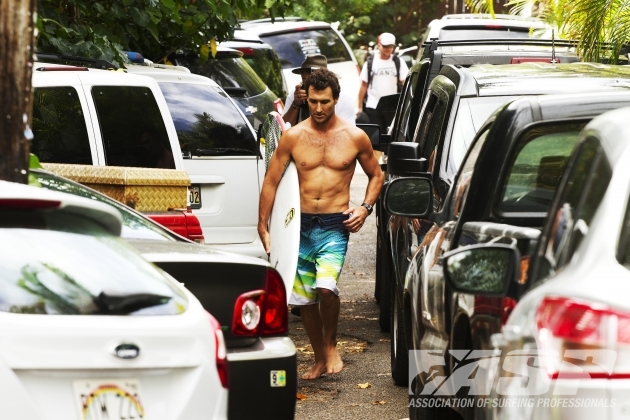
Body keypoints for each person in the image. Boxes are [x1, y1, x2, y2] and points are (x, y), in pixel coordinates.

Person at [259, 69, 384, 380]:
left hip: (333, 225)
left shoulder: (355, 137)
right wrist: (263, 225)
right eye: (313, 101)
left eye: (324, 102)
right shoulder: (293, 137)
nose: (318, 108)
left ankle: (331, 345)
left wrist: (365, 208)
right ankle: (318, 358)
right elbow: (271, 181)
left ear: (336, 100)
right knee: (303, 299)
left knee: (326, 288)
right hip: (298, 227)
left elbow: (376, 175)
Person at [282, 54, 356, 127]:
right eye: (305, 81)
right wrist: (296, 104)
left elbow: (348, 132)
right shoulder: (296, 95)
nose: (318, 109)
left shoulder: (344, 99)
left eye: (325, 101)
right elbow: (284, 128)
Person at [357, 32, 409, 133]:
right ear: (379, 45)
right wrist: (358, 107)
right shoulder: (370, 62)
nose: (388, 49)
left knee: (391, 135)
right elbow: (364, 85)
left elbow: (405, 83)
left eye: (391, 46)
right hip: (373, 106)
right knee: (376, 136)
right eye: (385, 46)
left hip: (392, 107)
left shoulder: (398, 62)